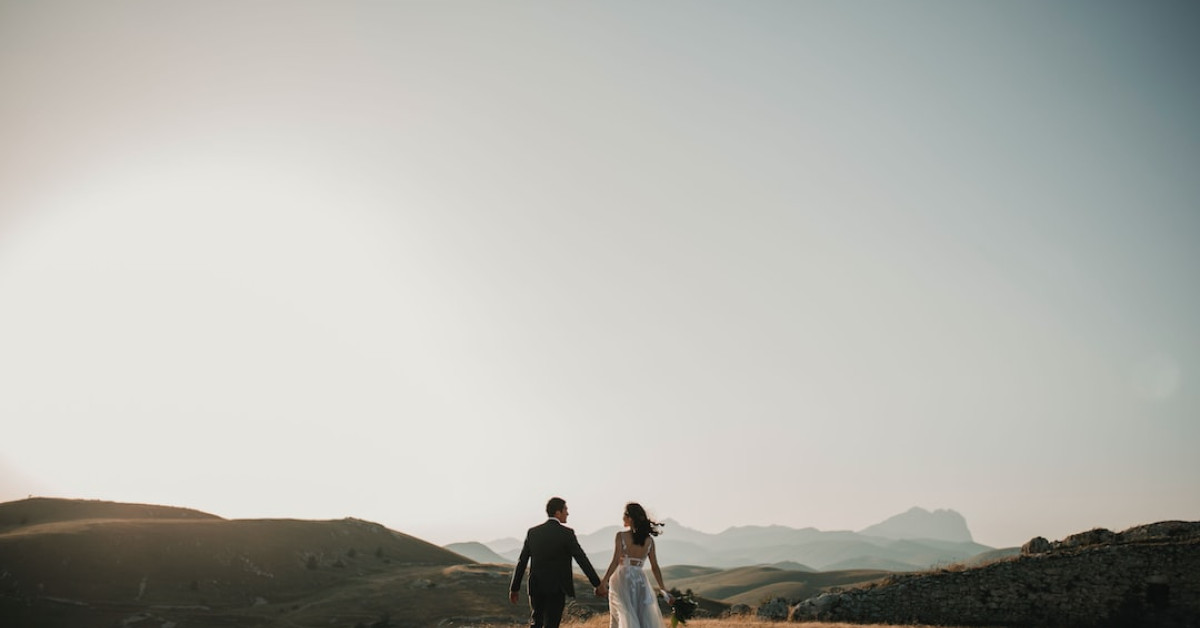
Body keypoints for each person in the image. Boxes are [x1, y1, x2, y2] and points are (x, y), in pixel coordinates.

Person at [510, 497, 605, 628]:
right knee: (552, 624)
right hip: (557, 587)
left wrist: (514, 588)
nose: (568, 513)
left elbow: (522, 561)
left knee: (536, 622)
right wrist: (597, 584)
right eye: (565, 509)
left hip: (536, 586)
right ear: (557, 512)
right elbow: (581, 559)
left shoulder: (533, 533)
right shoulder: (567, 534)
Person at [600, 502, 670, 628]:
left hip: (622, 579)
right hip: (640, 580)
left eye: (624, 515)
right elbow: (655, 566)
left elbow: (615, 561)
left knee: (620, 615)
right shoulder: (649, 541)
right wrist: (663, 588)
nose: (622, 518)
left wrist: (604, 581)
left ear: (630, 518)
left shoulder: (621, 536)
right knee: (641, 616)